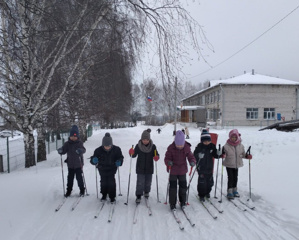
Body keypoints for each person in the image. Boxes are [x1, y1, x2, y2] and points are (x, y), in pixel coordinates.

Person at [164, 130, 196, 210]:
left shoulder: (186, 147)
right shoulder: (171, 148)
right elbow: (167, 158)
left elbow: (190, 156)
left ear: (184, 143)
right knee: (173, 188)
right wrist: (168, 162)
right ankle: (172, 203)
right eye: (177, 145)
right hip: (173, 171)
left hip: (182, 170)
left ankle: (183, 202)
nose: (179, 147)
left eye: (181, 145)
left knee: (183, 187)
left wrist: (192, 161)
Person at [90, 133, 124, 203]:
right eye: (105, 146)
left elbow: (120, 157)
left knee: (111, 182)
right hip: (102, 168)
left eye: (109, 146)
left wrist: (119, 161)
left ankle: (112, 196)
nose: (107, 147)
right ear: (103, 145)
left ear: (111, 144)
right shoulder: (98, 150)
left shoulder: (116, 149)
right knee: (103, 182)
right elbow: (93, 158)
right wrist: (94, 160)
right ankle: (104, 194)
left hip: (112, 168)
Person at [129, 129, 160, 203]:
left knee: (148, 182)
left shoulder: (153, 147)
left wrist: (156, 157)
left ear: (149, 139)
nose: (145, 141)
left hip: (149, 167)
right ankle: (138, 195)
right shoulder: (138, 146)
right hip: (140, 167)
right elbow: (133, 155)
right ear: (141, 139)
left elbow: (156, 154)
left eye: (147, 139)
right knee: (140, 182)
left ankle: (146, 192)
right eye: (143, 139)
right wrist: (131, 153)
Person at [222, 129, 252, 199]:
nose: (234, 138)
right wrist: (223, 155)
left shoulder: (240, 146)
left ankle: (235, 190)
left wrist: (247, 156)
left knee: (235, 177)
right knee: (230, 178)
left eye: (235, 137)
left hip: (237, 164)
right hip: (229, 164)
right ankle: (229, 191)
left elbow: (243, 154)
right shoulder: (226, 146)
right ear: (230, 137)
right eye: (232, 137)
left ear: (237, 137)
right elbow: (223, 153)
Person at [58, 125, 86, 197]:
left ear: (77, 136)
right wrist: (61, 150)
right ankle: (69, 190)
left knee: (79, 177)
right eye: (72, 136)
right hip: (70, 164)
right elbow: (63, 150)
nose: (73, 138)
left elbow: (84, 150)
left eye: (75, 136)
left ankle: (82, 190)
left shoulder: (79, 143)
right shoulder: (67, 144)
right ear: (70, 136)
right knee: (70, 178)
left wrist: (80, 151)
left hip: (78, 164)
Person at [193, 129, 220, 201]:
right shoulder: (199, 146)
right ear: (202, 141)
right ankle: (201, 195)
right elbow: (194, 155)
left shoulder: (212, 146)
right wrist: (198, 155)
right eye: (205, 141)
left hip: (209, 167)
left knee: (210, 182)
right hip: (201, 168)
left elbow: (215, 155)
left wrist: (219, 154)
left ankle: (207, 192)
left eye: (208, 141)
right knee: (202, 183)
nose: (207, 142)